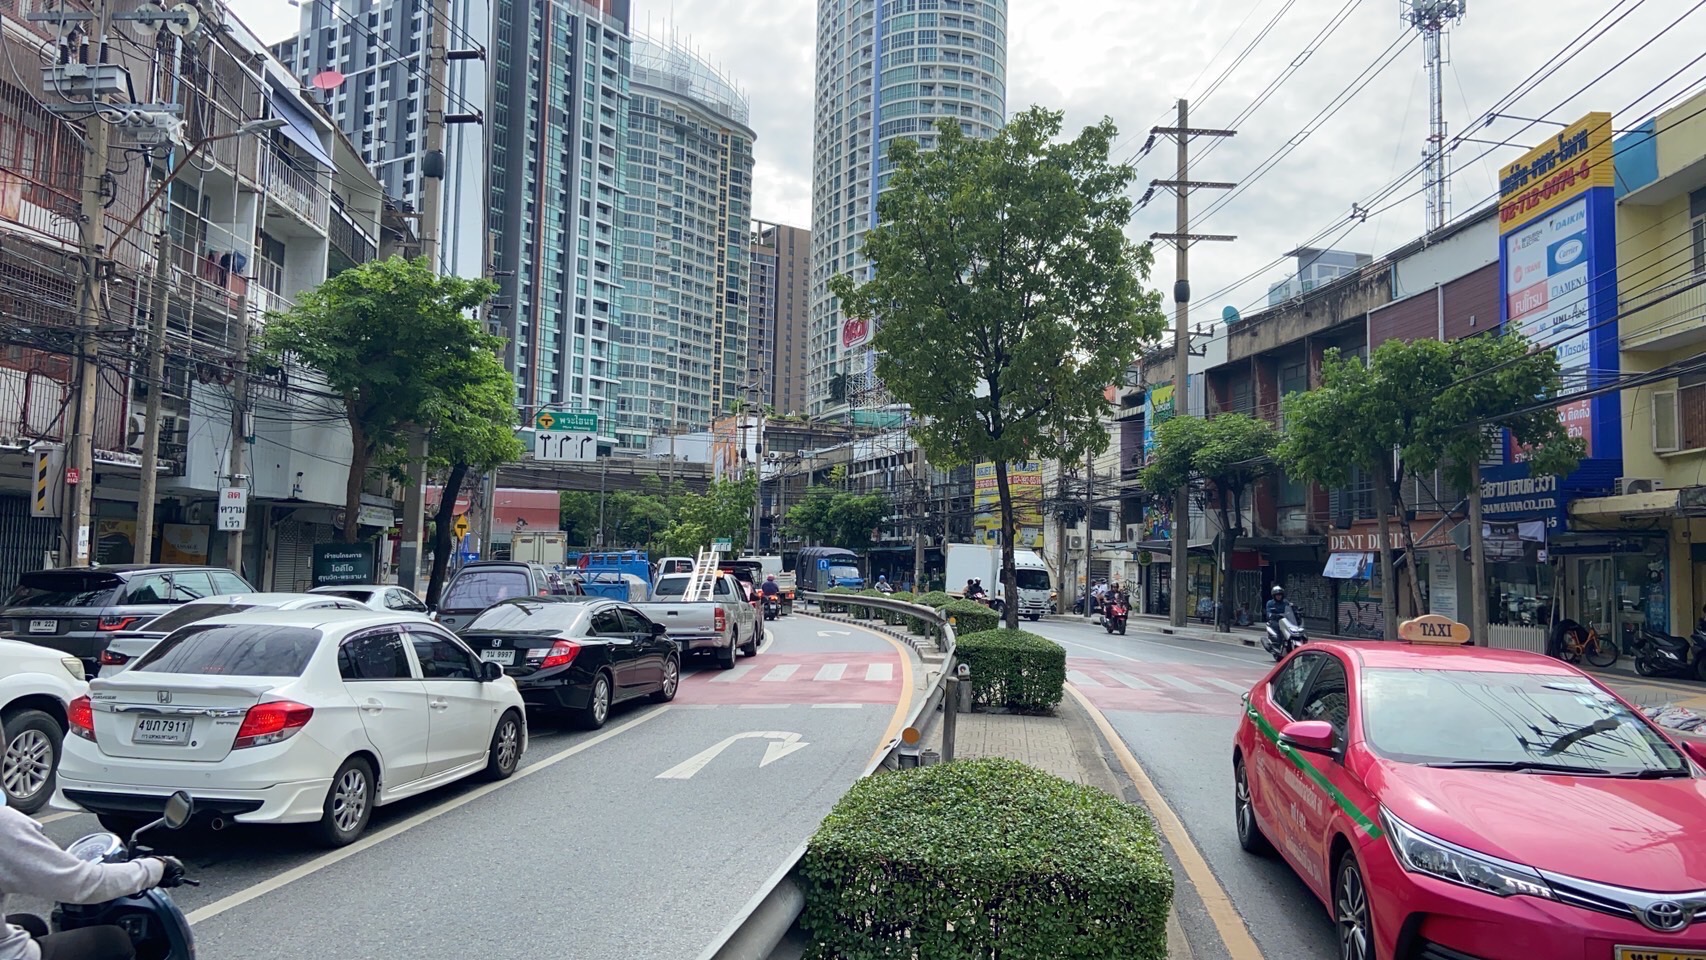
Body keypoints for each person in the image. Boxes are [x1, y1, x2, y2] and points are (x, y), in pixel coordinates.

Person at [1, 725, 184, 960]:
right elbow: (79, 885)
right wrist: (155, 868)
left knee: (31, 925)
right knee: (113, 941)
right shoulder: (6, 826)